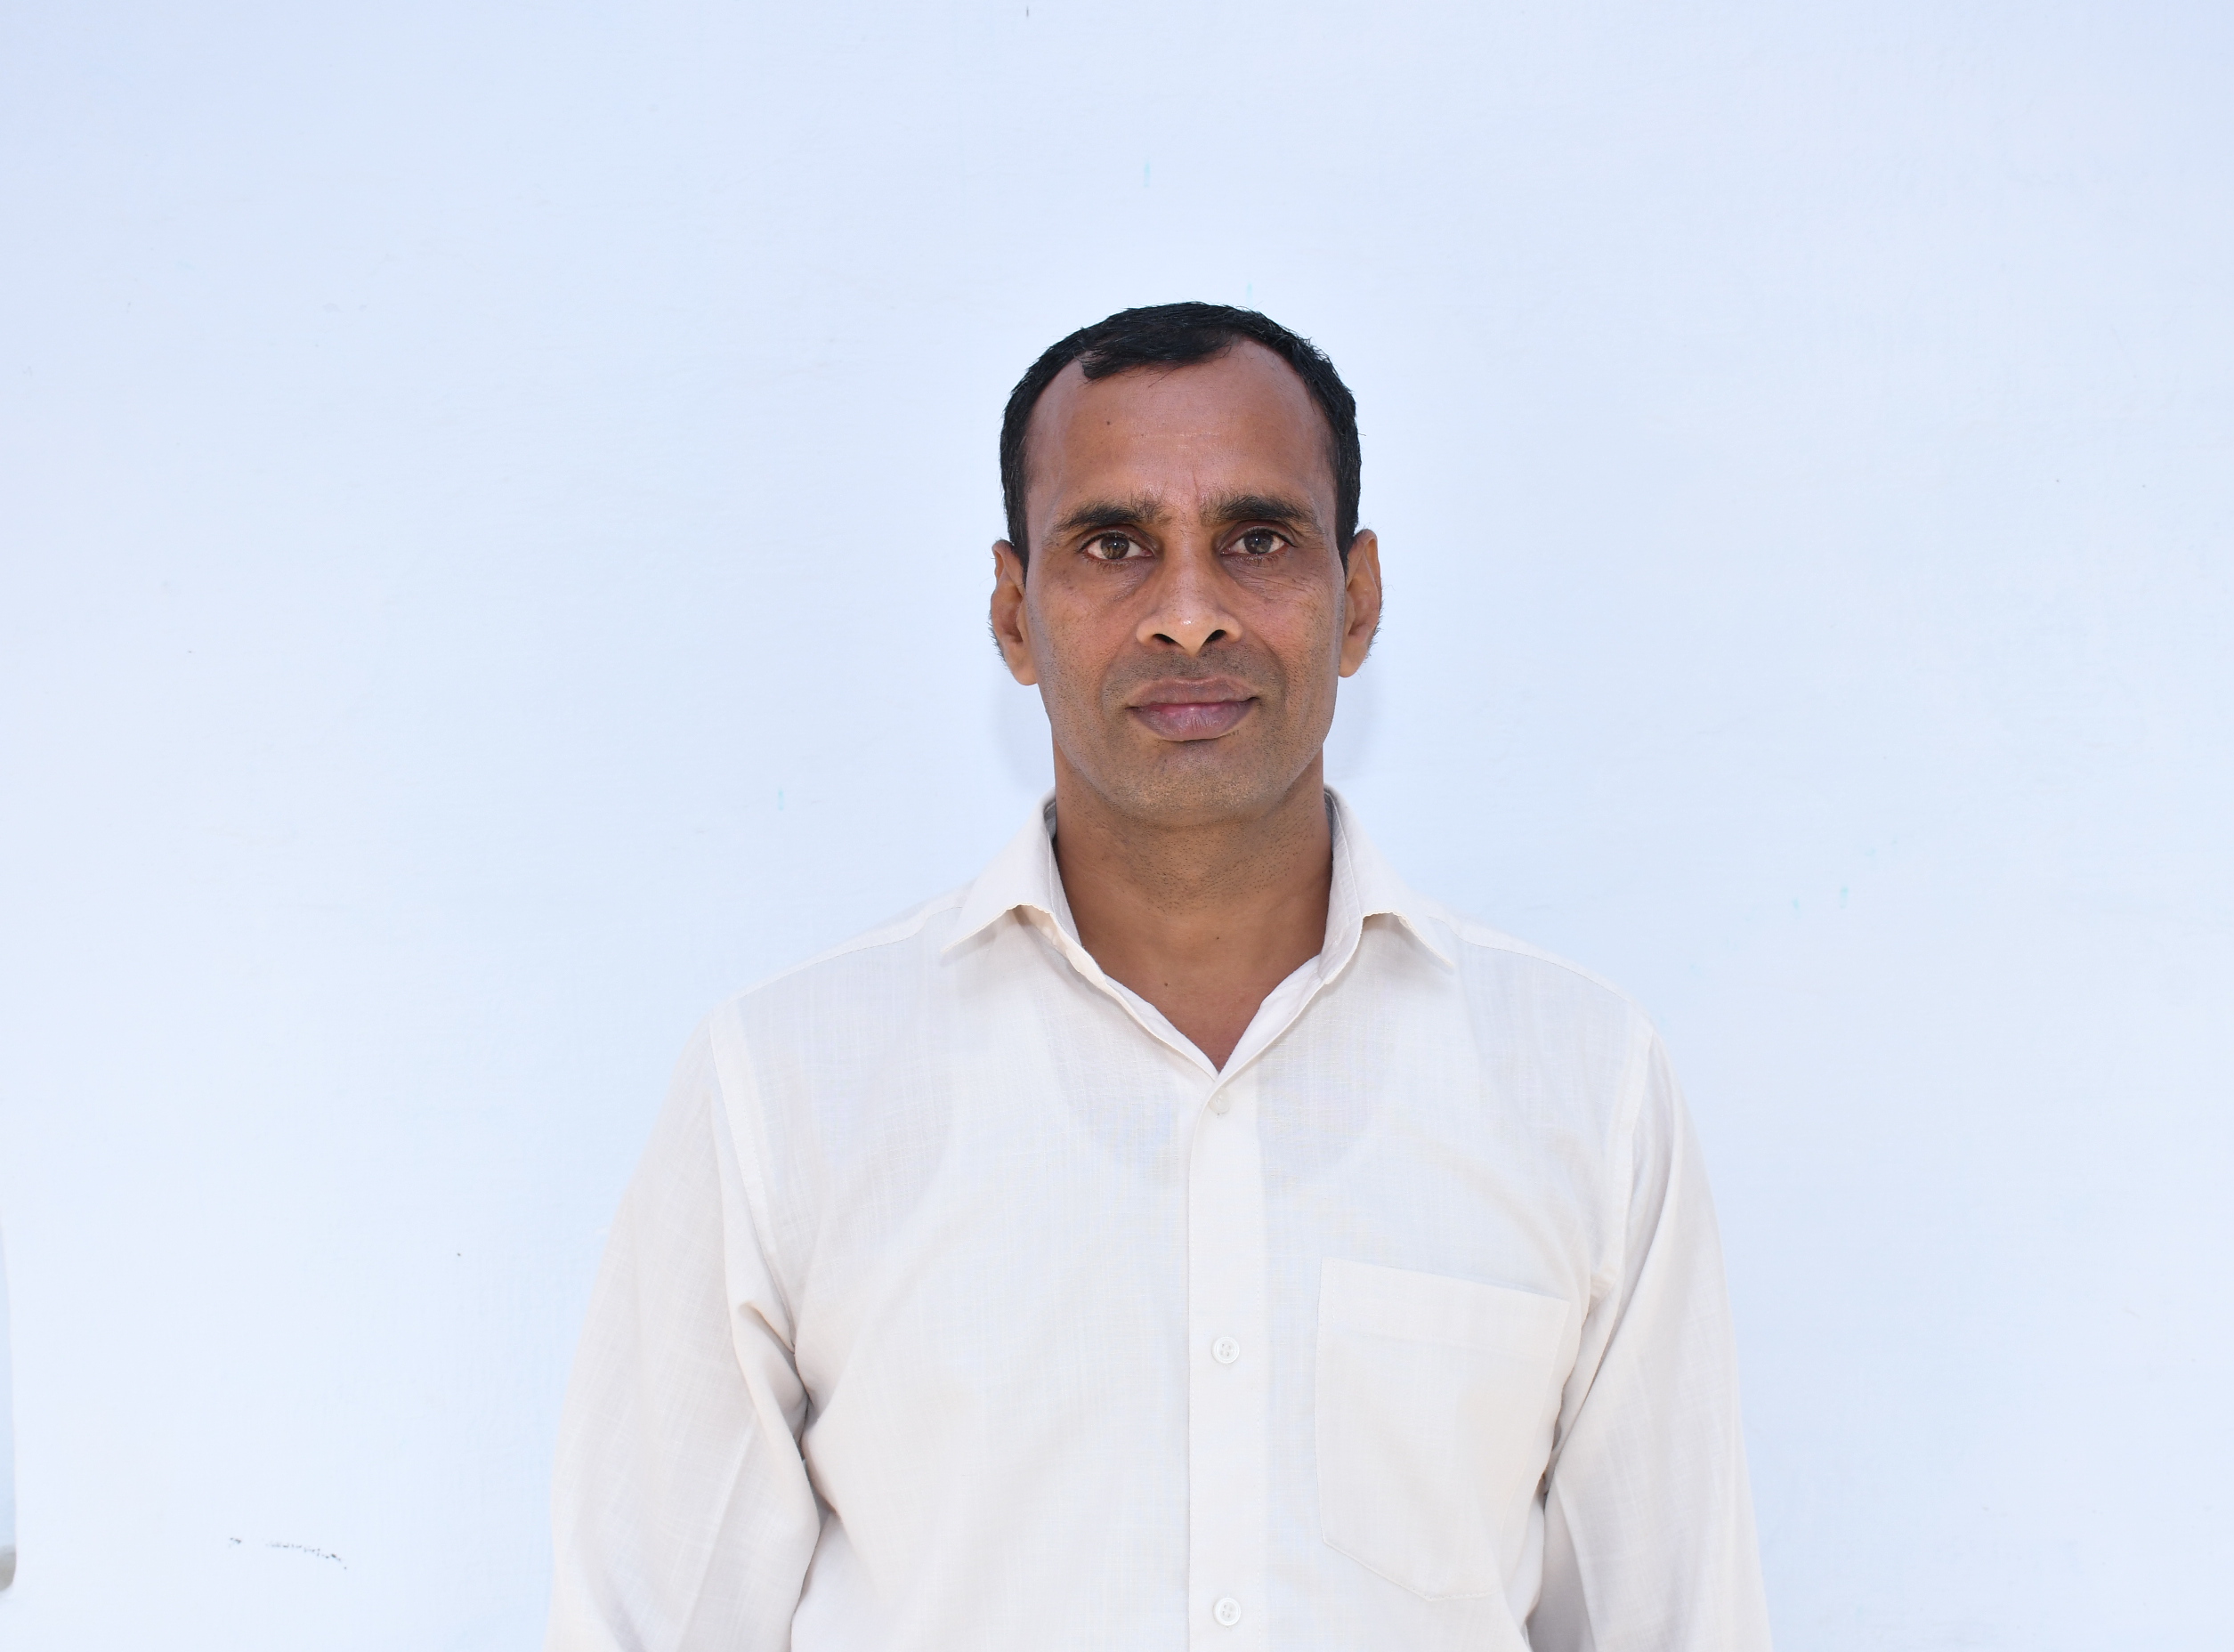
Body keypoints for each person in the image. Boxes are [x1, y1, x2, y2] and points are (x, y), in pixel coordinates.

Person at [546, 303, 1771, 1651]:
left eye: (1259, 540)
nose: (1189, 616)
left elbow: (1677, 1621)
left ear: (1358, 598)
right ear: (1014, 613)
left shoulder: (1579, 1082)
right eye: (1114, 545)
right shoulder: (786, 1088)